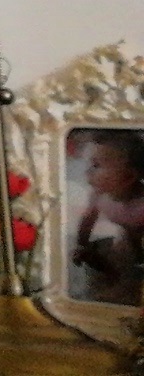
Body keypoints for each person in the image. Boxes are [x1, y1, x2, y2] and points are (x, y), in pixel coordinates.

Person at [71, 130, 144, 306]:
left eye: (96, 165)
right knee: (115, 251)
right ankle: (117, 280)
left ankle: (128, 289)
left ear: (127, 177)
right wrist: (82, 244)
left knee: (125, 250)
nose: (87, 172)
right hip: (128, 234)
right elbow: (88, 220)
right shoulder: (99, 195)